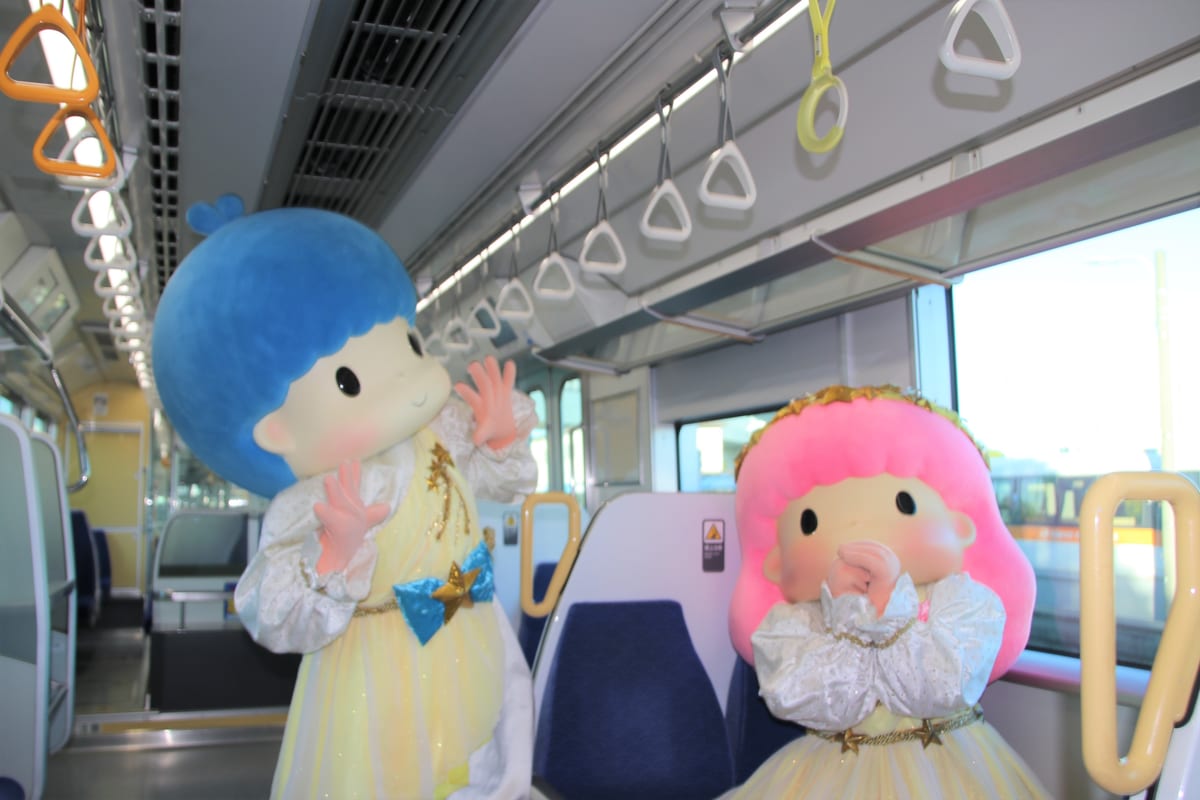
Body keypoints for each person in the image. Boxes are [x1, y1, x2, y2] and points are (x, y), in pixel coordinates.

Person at [153, 195, 536, 799]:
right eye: (349, 380)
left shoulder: (439, 433)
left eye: (410, 346)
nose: (409, 382)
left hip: (473, 639)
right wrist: (330, 561)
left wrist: (500, 446)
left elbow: (501, 487)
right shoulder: (319, 498)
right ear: (275, 431)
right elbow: (274, 614)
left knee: (482, 770)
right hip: (380, 673)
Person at [723, 385, 1048, 798]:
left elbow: (942, 690)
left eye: (904, 503)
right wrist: (847, 618)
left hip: (953, 771)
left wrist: (890, 611)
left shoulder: (963, 603)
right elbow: (814, 703)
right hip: (830, 774)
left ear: (960, 526)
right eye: (810, 522)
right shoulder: (791, 626)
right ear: (775, 561)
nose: (859, 532)